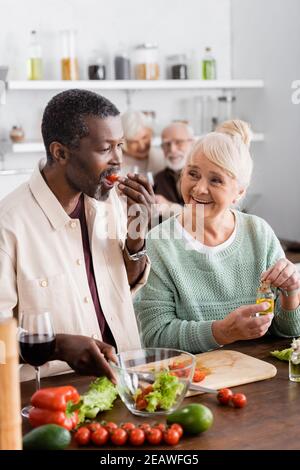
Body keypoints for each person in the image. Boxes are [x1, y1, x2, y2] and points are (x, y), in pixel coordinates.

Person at [0, 89, 155, 380]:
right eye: (105, 148)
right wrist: (56, 346)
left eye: (120, 145)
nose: (118, 160)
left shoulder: (113, 206)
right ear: (61, 153)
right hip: (52, 393)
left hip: (128, 379)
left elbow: (129, 285)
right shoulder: (8, 225)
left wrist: (137, 236)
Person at [134, 120, 300, 352]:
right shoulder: (158, 243)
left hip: (262, 374)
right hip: (198, 377)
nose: (199, 189)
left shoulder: (258, 233)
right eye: (193, 174)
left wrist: (292, 293)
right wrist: (222, 331)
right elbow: (155, 336)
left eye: (216, 180)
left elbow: (288, 331)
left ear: (239, 192)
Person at [154, 122, 194, 211]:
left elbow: (202, 220)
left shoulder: (203, 177)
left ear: (192, 143)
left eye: (179, 142)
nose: (172, 149)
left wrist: (170, 207)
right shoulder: (158, 179)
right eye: (167, 144)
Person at [121, 110, 164, 176]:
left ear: (150, 132)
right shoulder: (115, 164)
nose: (142, 146)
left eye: (144, 137)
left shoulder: (163, 158)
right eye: (134, 142)